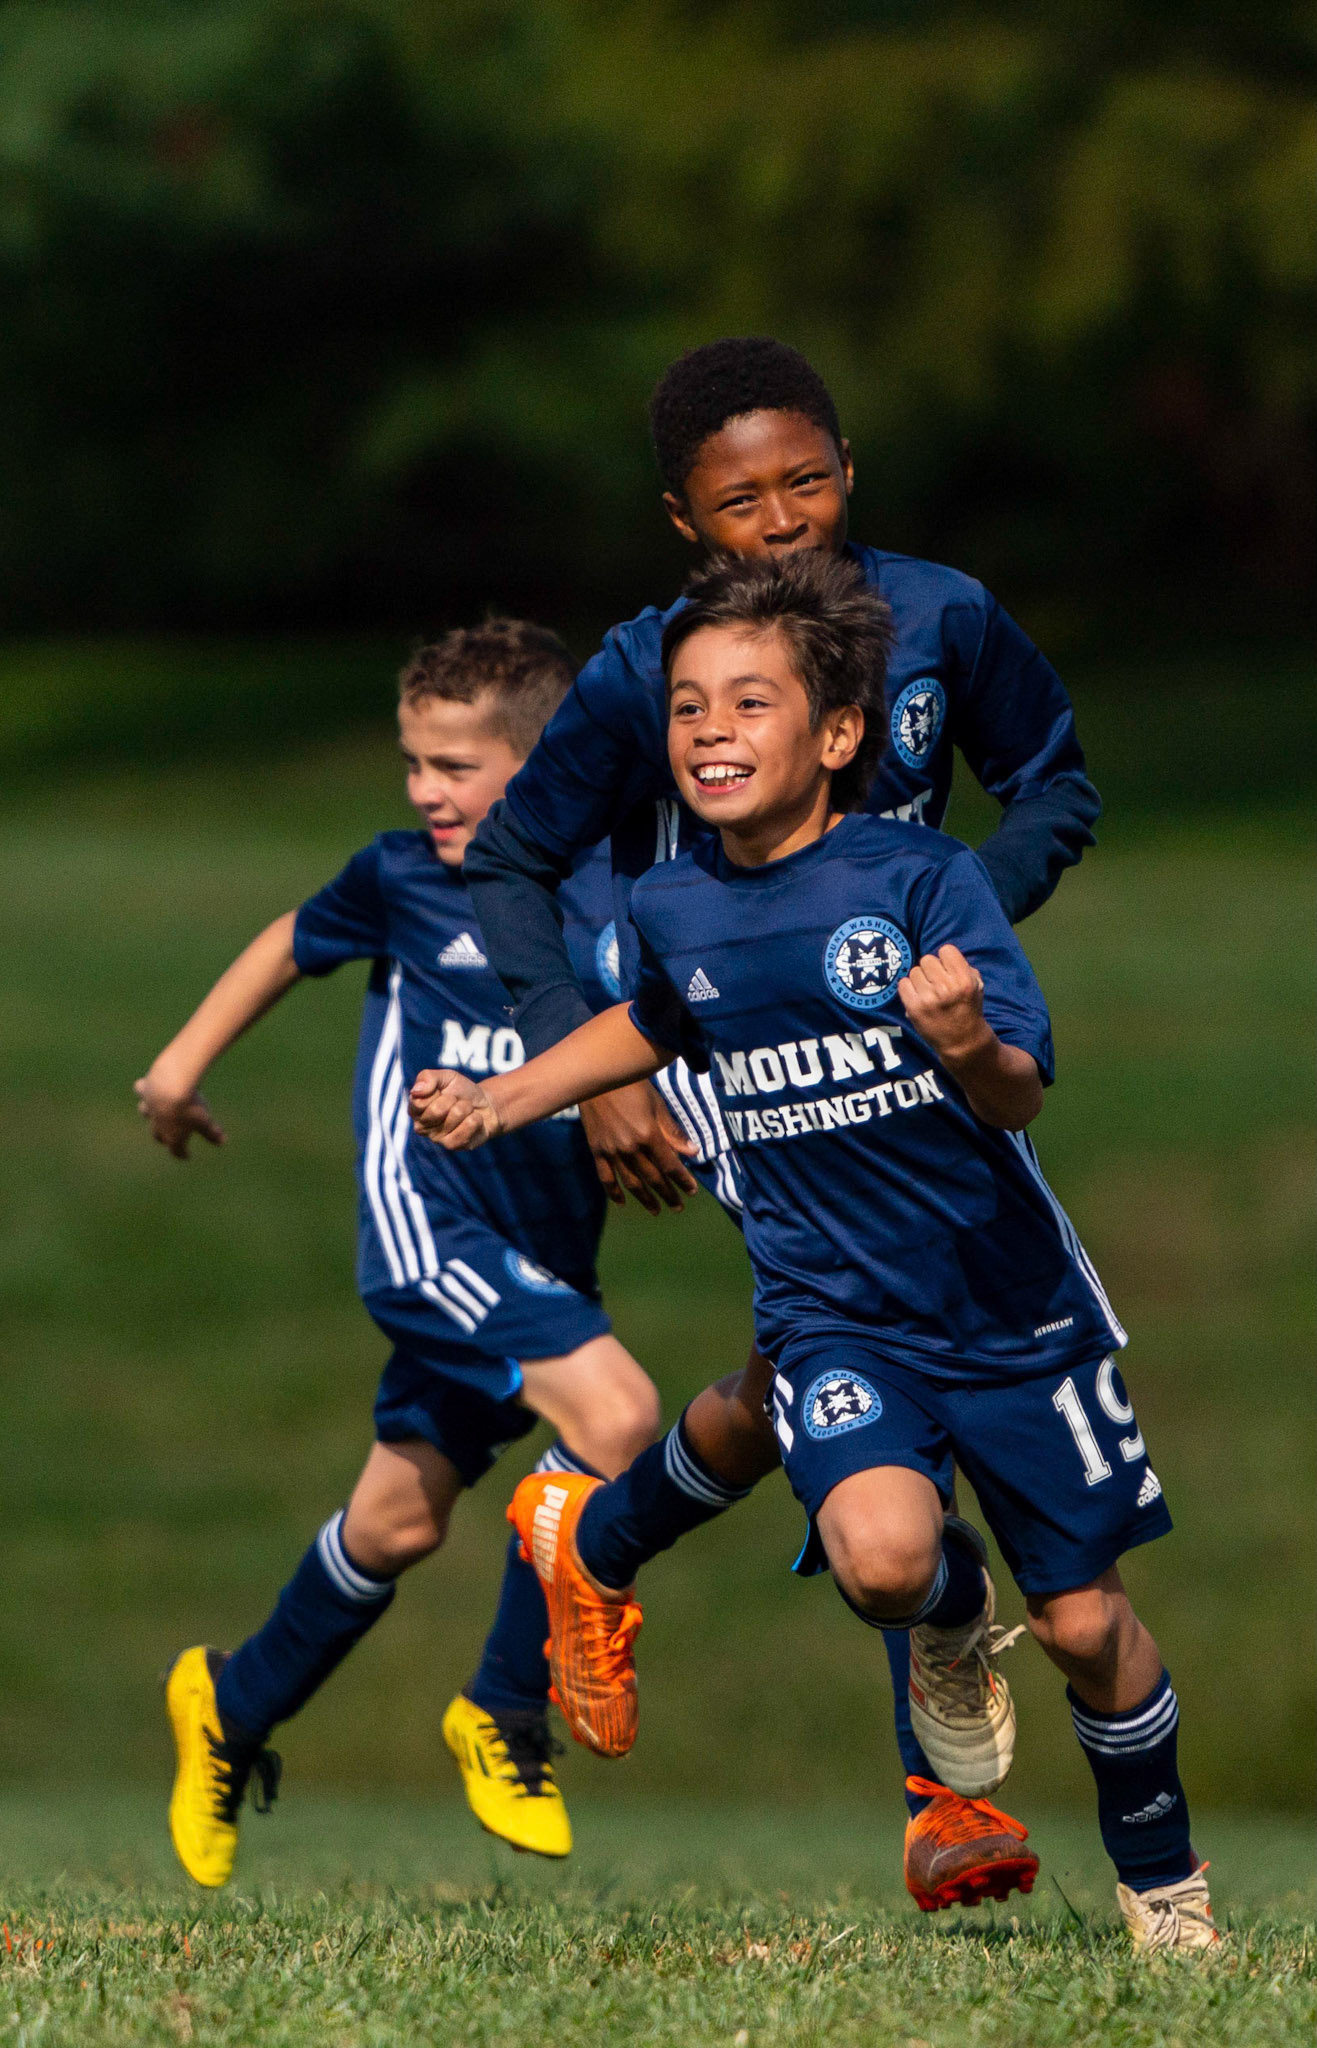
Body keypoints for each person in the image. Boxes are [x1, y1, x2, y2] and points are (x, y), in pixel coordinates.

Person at [412, 552, 1218, 1951]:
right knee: (884, 1563)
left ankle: (1165, 1885)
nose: (710, 730)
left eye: (750, 703)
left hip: (1010, 1311)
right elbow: (651, 1025)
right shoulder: (672, 905)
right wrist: (507, 1096)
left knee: (1087, 1628)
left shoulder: (925, 878)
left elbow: (1019, 1092)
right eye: (687, 707)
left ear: (840, 734)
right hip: (832, 1312)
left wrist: (965, 1041)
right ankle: (953, 1613)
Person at [463, 335, 1102, 1900]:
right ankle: (942, 1796)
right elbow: (516, 858)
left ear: (848, 473)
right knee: (881, 1325)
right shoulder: (651, 668)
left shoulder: (943, 617)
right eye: (739, 502)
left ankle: (597, 1541)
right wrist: (596, 1071)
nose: (781, 519)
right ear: (684, 521)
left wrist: (946, 924)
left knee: (818, 1363)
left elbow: (1054, 787)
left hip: (919, 1042)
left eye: (806, 482)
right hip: (737, 1049)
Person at [135, 620, 660, 1886]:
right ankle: (503, 1707)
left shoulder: (611, 883)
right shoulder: (403, 878)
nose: (425, 790)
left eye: (454, 766)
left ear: (540, 765)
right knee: (619, 1413)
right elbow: (288, 940)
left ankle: (229, 1703)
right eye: (414, 762)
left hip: (544, 1253)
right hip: (431, 1230)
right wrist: (178, 1068)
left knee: (397, 1519)